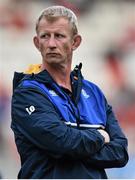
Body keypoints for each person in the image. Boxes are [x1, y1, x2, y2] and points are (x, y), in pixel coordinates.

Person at [11, 6, 129, 179]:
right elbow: (61, 142)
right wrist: (99, 137)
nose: (51, 44)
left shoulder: (93, 92)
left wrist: (71, 148)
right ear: (37, 43)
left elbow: (120, 153)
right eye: (45, 36)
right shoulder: (27, 93)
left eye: (59, 36)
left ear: (75, 42)